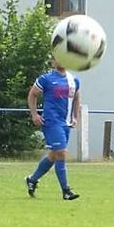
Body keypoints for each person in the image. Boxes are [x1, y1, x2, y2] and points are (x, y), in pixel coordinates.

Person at [24, 57, 81, 201]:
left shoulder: (74, 80)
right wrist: (34, 114)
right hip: (51, 122)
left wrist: (75, 117)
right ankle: (66, 191)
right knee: (61, 152)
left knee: (54, 155)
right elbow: (32, 94)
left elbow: (77, 99)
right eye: (58, 58)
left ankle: (32, 179)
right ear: (53, 62)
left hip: (65, 123)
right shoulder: (46, 79)